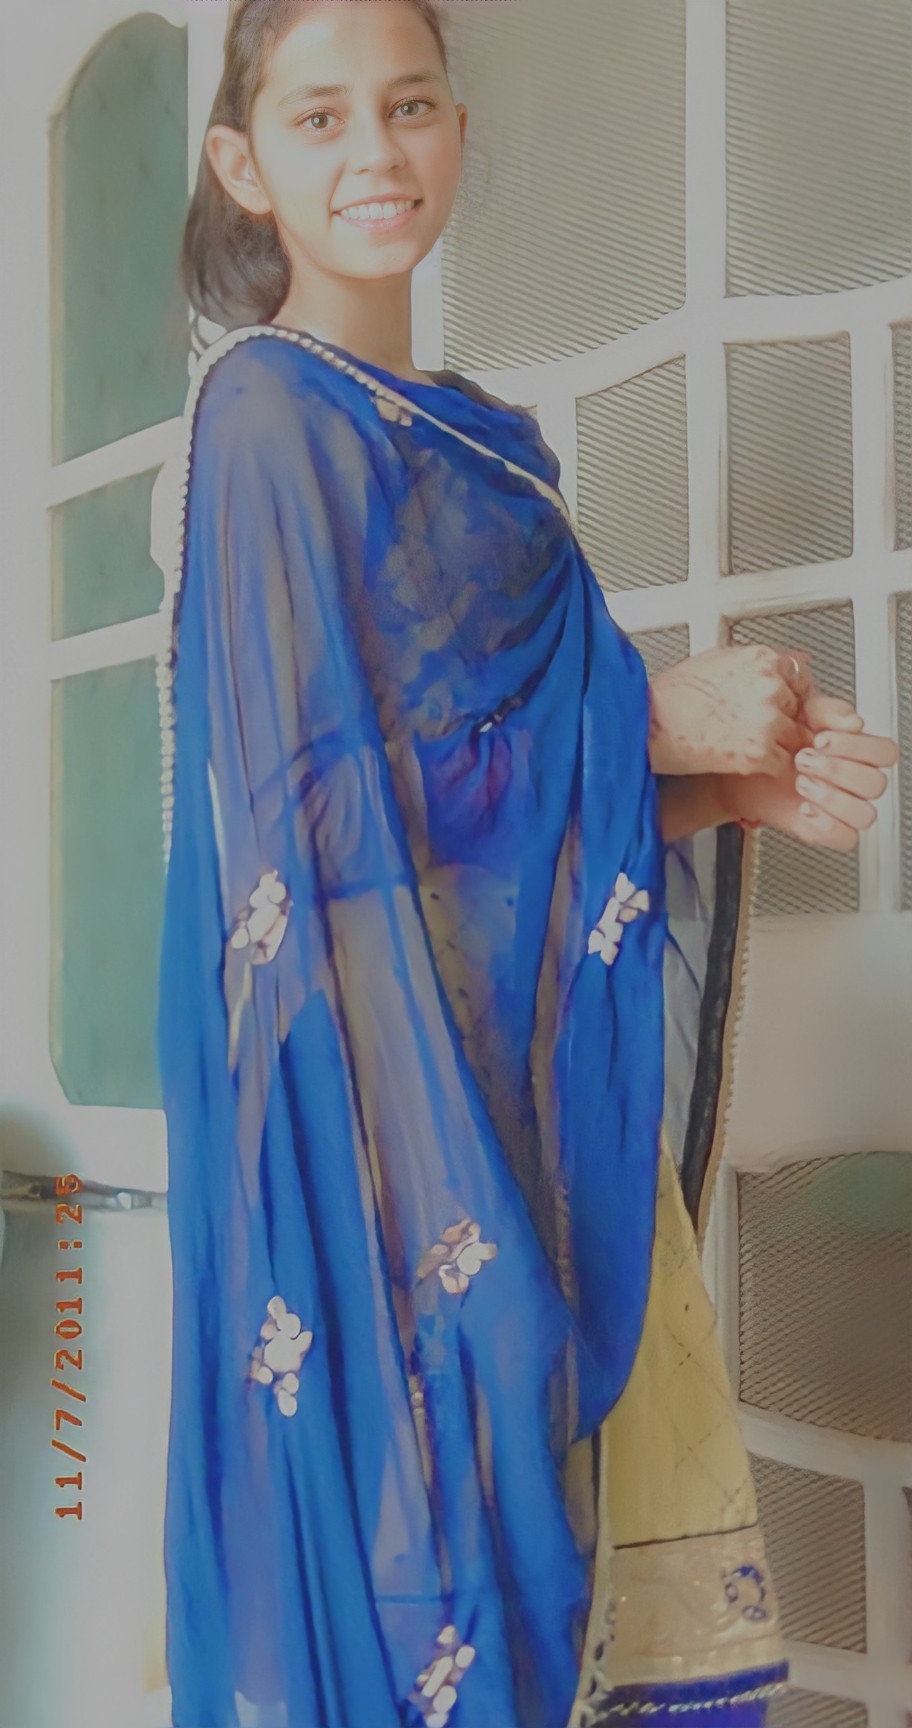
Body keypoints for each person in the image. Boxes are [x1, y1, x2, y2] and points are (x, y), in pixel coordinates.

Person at [152, 3, 899, 1725]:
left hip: (515, 1119)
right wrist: (651, 720)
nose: (377, 151)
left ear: (458, 131)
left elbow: (480, 838)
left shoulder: (494, 440)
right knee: (440, 1619)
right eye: (322, 117)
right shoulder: (268, 418)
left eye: (409, 105)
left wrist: (716, 791)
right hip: (380, 1144)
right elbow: (310, 817)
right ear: (243, 164)